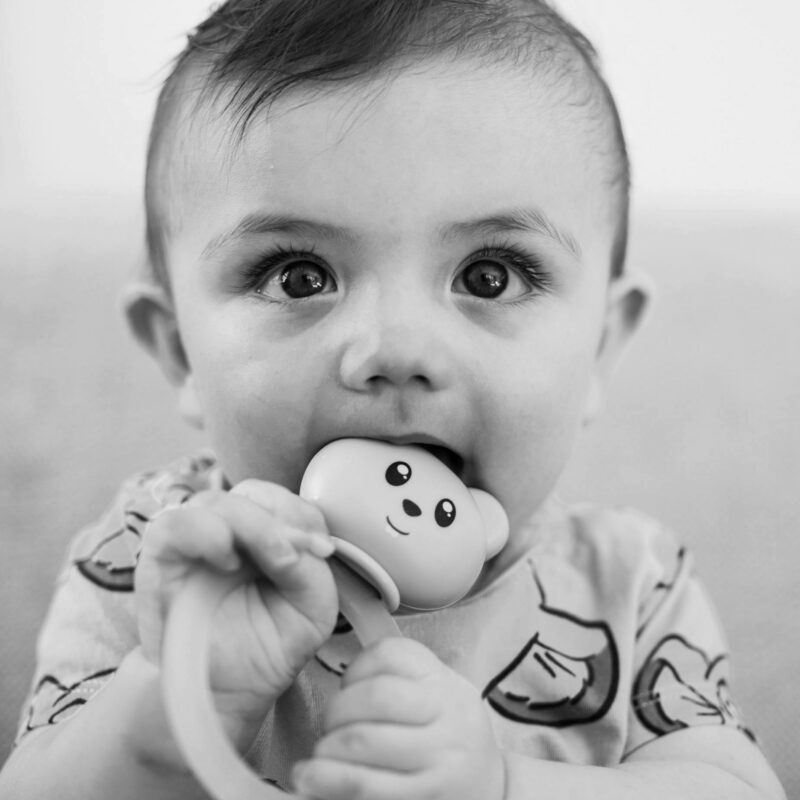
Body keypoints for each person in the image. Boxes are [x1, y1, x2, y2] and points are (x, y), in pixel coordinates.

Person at [0, 1, 786, 798]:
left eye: (491, 275)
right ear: (179, 351)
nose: (396, 348)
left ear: (600, 349)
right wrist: (170, 711)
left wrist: (503, 786)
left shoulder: (630, 582)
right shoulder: (159, 559)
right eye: (298, 275)